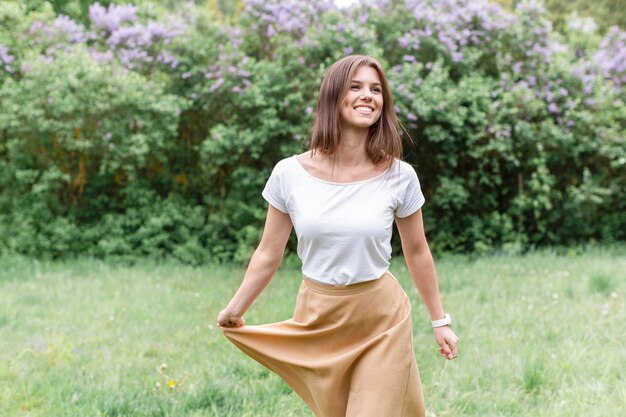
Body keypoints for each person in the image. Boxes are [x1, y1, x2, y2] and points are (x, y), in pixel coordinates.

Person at [217, 54, 458, 417]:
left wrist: (440, 321)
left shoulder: (399, 176)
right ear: (333, 97)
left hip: (381, 319)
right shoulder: (289, 174)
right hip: (318, 320)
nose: (368, 96)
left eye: (376, 90)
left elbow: (418, 252)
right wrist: (235, 309)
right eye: (356, 87)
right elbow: (268, 252)